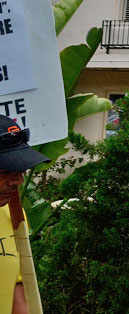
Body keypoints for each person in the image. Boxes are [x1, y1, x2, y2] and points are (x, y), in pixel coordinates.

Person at [0, 114, 50, 314]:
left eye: (20, 171)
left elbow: (15, 289)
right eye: (6, 172)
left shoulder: (13, 215)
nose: (18, 181)